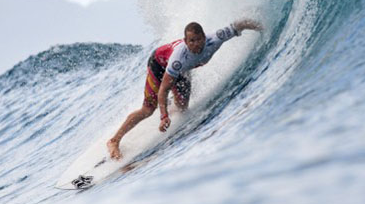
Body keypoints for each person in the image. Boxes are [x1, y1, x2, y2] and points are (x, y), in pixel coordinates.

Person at [107, 19, 263, 160]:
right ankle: (114, 140)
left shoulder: (214, 40)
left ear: (204, 37)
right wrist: (163, 116)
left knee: (182, 108)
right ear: (186, 41)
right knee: (148, 109)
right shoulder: (178, 59)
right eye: (192, 41)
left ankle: (167, 106)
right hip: (159, 64)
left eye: (199, 39)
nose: (196, 44)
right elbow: (163, 89)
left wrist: (260, 27)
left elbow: (237, 25)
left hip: (182, 71)